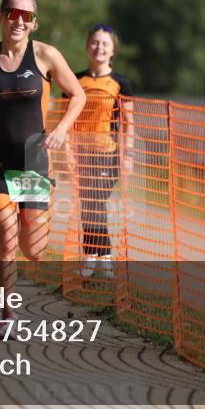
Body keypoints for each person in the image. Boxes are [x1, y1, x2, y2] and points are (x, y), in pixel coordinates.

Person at [0, 0, 86, 337]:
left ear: (34, 23)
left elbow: (78, 95)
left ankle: (33, 228)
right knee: (6, 238)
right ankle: (7, 315)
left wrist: (60, 130)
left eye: (26, 16)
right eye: (13, 13)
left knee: (34, 248)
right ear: (1, 16)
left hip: (33, 161)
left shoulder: (45, 55)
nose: (19, 21)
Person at [70, 24, 134, 277]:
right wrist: (67, 153)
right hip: (81, 154)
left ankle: (99, 258)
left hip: (108, 153)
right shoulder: (75, 80)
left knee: (97, 202)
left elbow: (131, 123)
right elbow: (65, 119)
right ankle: (95, 256)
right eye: (95, 43)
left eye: (105, 44)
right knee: (88, 204)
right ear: (88, 46)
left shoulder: (120, 83)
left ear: (112, 51)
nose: (100, 48)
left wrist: (127, 156)